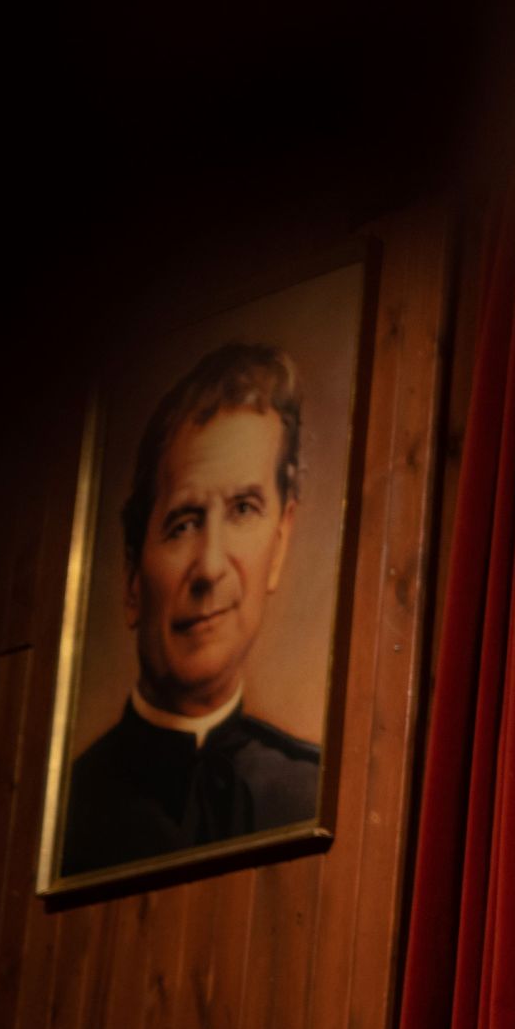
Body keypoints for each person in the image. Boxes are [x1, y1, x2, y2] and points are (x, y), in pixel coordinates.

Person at [62, 342, 321, 877]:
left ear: (280, 540)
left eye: (244, 509)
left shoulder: (310, 791)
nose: (210, 568)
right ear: (133, 577)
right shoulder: (71, 814)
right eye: (183, 523)